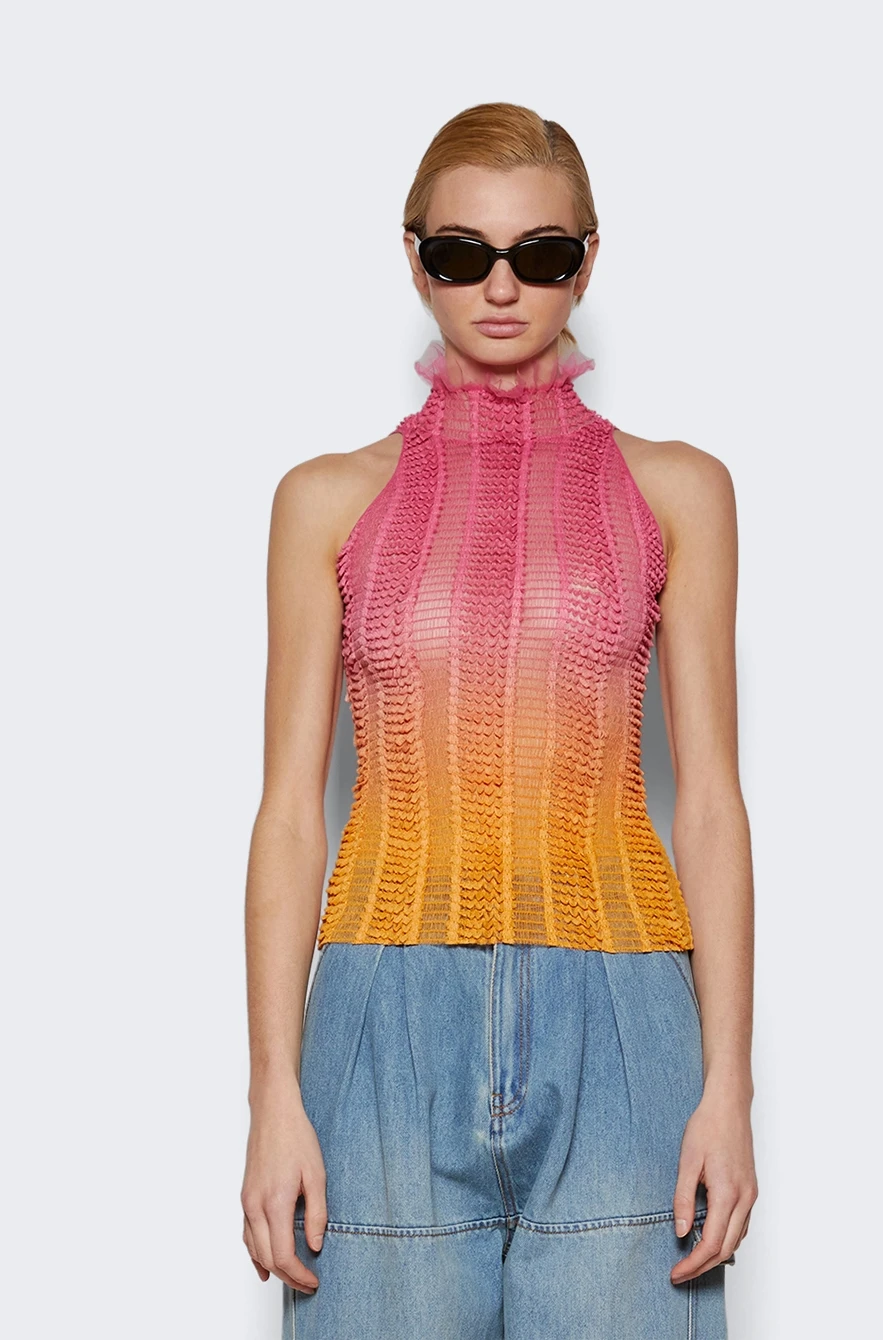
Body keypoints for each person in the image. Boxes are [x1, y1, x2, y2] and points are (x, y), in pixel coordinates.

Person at [241, 101, 757, 1340]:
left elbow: (711, 803)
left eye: (543, 253)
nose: (503, 287)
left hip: (624, 1024)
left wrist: (729, 1086)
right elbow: (289, 814)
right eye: (463, 253)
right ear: (414, 258)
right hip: (381, 1021)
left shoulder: (678, 489)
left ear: (590, 258)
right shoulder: (326, 500)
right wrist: (271, 1093)